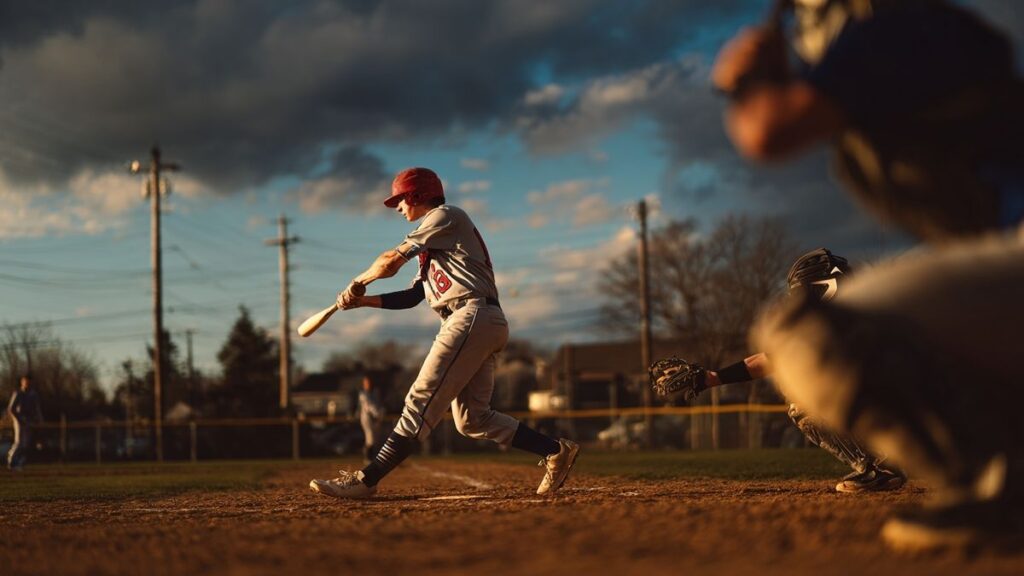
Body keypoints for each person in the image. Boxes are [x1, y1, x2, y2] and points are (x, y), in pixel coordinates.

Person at [712, 0, 1024, 551]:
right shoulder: (913, 44)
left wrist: (747, 82)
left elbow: (768, 130)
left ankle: (996, 489)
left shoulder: (901, 24)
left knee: (805, 337)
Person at [310, 167, 579, 499]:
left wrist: (360, 281)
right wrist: (363, 302)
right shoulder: (434, 248)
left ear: (419, 196)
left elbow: (390, 262)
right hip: (478, 321)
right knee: (472, 420)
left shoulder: (445, 216)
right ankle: (555, 450)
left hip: (471, 316)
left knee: (419, 399)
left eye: (401, 199)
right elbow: (412, 297)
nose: (398, 208)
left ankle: (367, 480)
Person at [666, 249, 905, 493]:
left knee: (803, 398)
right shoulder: (862, 303)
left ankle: (880, 467)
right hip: (923, 397)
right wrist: (714, 378)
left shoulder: (847, 315)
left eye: (802, 291)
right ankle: (904, 457)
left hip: (916, 395)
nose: (799, 299)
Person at [7, 375, 42, 472]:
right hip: (19, 421)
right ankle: (11, 461)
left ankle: (19, 463)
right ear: (22, 382)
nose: (27, 383)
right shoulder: (18, 393)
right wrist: (19, 419)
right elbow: (11, 409)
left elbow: (36, 408)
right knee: (18, 442)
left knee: (26, 444)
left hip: (29, 421)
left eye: (29, 381)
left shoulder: (33, 394)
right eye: (25, 381)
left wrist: (38, 418)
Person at [357, 375, 386, 464]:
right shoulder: (363, 394)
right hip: (367, 419)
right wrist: (377, 414)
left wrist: (381, 413)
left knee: (375, 439)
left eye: (369, 382)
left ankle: (373, 458)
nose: (368, 384)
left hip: (376, 419)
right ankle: (367, 458)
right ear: (363, 384)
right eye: (366, 383)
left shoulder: (375, 393)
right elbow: (369, 406)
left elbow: (380, 405)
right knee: (370, 438)